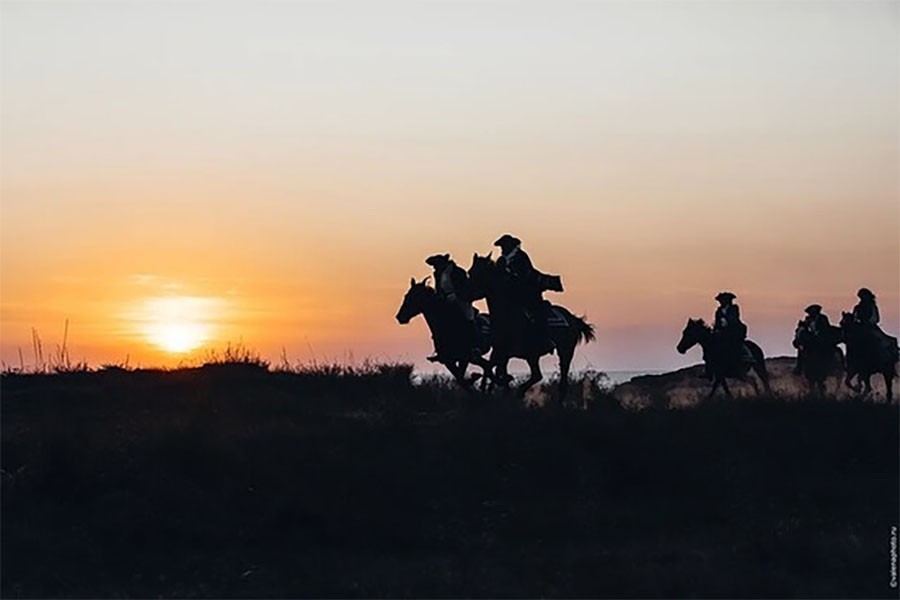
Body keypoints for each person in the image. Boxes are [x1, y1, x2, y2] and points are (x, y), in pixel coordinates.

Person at [494, 234, 552, 350]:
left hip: (526, 292)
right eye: (501, 247)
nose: (502, 249)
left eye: (504, 246)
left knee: (538, 313)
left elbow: (527, 274)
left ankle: (545, 339)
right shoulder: (501, 260)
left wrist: (513, 276)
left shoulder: (521, 256)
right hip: (509, 293)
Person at [425, 253, 476, 361]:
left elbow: (465, 287)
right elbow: (438, 289)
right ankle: (441, 349)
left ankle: (473, 347)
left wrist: (455, 295)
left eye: (436, 265)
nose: (434, 267)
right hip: (445, 302)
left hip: (460, 300)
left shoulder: (458, 272)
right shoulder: (437, 274)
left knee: (467, 318)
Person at [793, 304, 833, 375]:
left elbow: (826, 329)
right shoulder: (808, 320)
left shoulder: (822, 318)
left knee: (825, 351)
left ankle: (829, 367)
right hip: (811, 340)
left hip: (821, 339)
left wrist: (819, 334)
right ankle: (800, 367)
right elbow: (804, 329)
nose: (810, 314)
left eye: (812, 312)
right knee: (802, 350)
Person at [712, 292, 749, 367]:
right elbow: (717, 322)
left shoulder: (734, 308)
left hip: (734, 330)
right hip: (722, 331)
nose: (720, 302)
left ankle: (746, 356)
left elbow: (734, 320)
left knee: (736, 343)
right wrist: (716, 329)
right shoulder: (718, 311)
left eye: (722, 300)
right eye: (720, 301)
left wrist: (726, 324)